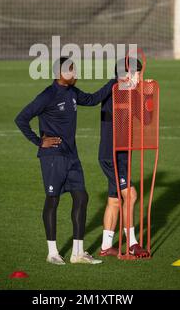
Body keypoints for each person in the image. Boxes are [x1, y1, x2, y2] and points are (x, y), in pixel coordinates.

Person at [15, 57, 116, 265]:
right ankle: (52, 252)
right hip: (53, 157)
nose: (76, 74)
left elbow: (93, 99)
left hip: (72, 156)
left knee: (82, 198)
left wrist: (115, 80)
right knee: (53, 200)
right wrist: (38, 141)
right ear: (61, 74)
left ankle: (77, 253)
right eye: (72, 71)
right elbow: (22, 118)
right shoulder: (48, 95)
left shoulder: (72, 93)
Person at [98, 59, 150, 258]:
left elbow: (145, 120)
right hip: (110, 155)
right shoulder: (113, 92)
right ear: (126, 75)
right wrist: (121, 85)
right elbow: (107, 108)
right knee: (131, 195)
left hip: (123, 155)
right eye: (137, 73)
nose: (140, 77)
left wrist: (146, 97)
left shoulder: (131, 93)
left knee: (115, 200)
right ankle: (132, 244)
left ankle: (106, 246)